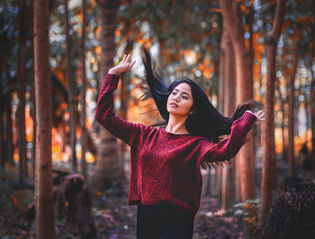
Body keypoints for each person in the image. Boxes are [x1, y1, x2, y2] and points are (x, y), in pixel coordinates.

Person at [95, 47, 265, 239]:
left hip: (178, 220)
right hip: (146, 215)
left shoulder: (195, 144)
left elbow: (226, 150)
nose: (176, 98)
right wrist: (112, 75)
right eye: (174, 93)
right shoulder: (143, 135)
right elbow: (104, 116)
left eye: (184, 96)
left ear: (192, 109)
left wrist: (244, 122)